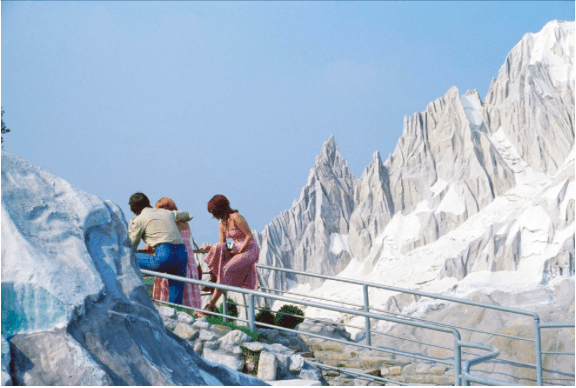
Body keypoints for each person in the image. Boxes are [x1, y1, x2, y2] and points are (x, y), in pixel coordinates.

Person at [196, 194, 259, 318]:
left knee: (225, 269)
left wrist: (241, 249)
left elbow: (249, 235)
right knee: (221, 260)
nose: (214, 215)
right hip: (236, 250)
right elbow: (222, 244)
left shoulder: (236, 217)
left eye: (214, 211)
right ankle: (211, 301)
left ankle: (210, 303)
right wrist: (209, 248)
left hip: (249, 250)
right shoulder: (221, 223)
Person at [128, 192, 192, 305]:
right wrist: (187, 216)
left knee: (128, 256)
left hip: (165, 254)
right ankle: (175, 316)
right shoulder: (166, 213)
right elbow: (186, 214)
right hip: (182, 254)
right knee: (176, 299)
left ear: (134, 208)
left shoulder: (139, 219)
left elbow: (131, 246)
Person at [150, 197, 202, 309]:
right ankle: (191, 310)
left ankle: (170, 309)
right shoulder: (184, 222)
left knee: (170, 285)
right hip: (188, 258)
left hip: (173, 256)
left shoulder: (167, 223)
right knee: (187, 286)